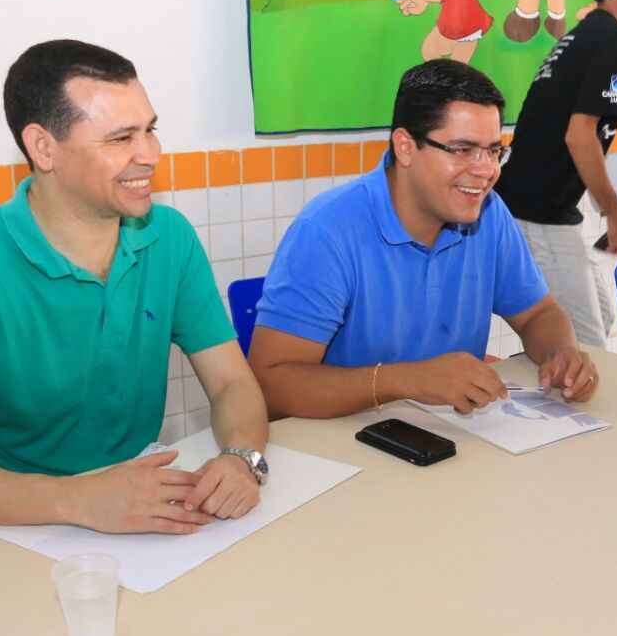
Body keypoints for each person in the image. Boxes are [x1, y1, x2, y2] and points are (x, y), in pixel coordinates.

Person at [0, 40, 270, 533]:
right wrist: (75, 501)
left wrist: (241, 457)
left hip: (133, 508)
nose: (150, 154)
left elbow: (231, 381)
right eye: (120, 139)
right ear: (43, 147)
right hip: (3, 526)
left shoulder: (171, 239)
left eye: (150, 130)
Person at [248, 60, 598, 419]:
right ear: (405, 147)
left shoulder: (489, 214)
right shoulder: (328, 231)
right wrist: (407, 380)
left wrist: (562, 352)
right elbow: (271, 385)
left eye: (494, 150)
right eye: (463, 149)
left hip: (450, 438)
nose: (486, 170)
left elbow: (537, 313)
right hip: (346, 445)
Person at [495, 0, 617, 348]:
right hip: (534, 214)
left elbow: (565, 137)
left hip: (545, 209)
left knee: (600, 319)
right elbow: (577, 135)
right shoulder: (613, 38)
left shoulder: (592, 34)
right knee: (582, 346)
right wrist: (614, 216)